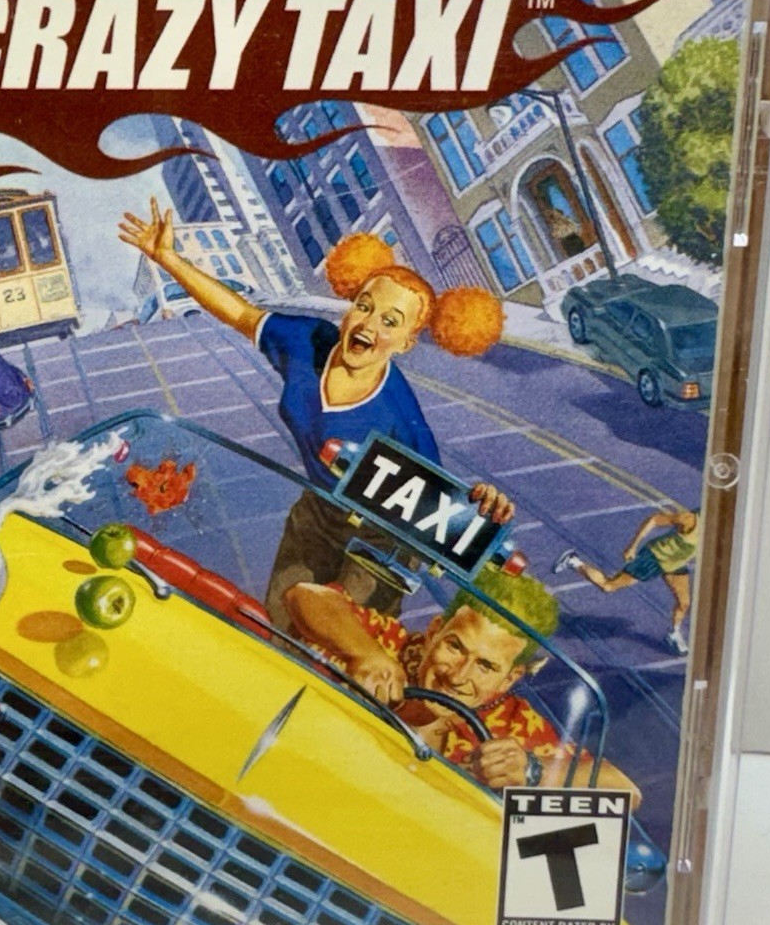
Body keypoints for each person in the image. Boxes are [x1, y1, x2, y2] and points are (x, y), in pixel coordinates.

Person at [118, 200, 514, 622]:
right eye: (364, 306)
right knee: (279, 624)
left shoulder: (398, 412)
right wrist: (168, 258)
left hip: (380, 540)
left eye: (390, 322)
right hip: (316, 513)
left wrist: (484, 502)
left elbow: (444, 512)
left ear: (406, 344)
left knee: (339, 635)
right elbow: (239, 313)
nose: (368, 325)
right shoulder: (309, 340)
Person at [283, 565, 640, 801]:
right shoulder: (391, 645)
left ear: (510, 678)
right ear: (435, 631)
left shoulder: (514, 724)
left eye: (485, 666)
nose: (457, 676)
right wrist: (364, 653)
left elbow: (623, 790)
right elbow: (306, 595)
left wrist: (532, 771)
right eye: (455, 647)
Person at [553, 508, 699, 654]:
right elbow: (654, 519)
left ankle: (674, 633)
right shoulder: (690, 520)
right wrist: (632, 546)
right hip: (654, 558)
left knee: (684, 603)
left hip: (675, 564)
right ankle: (573, 561)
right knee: (608, 586)